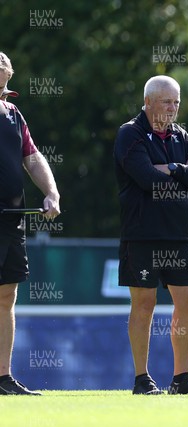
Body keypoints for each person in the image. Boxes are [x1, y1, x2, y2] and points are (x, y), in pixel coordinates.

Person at [114, 75, 188, 395]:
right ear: (148, 103)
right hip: (142, 234)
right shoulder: (130, 134)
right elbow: (146, 179)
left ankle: (181, 378)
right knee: (145, 303)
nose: (172, 109)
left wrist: (171, 168)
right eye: (166, 102)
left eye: (176, 103)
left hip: (180, 234)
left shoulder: (180, 135)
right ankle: (142, 379)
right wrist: (181, 171)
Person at [0, 52, 60, 395]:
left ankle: (3, 377)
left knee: (6, 295)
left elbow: (32, 157)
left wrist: (51, 193)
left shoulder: (13, 114)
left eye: (6, 85)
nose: (4, 92)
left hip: (11, 219)